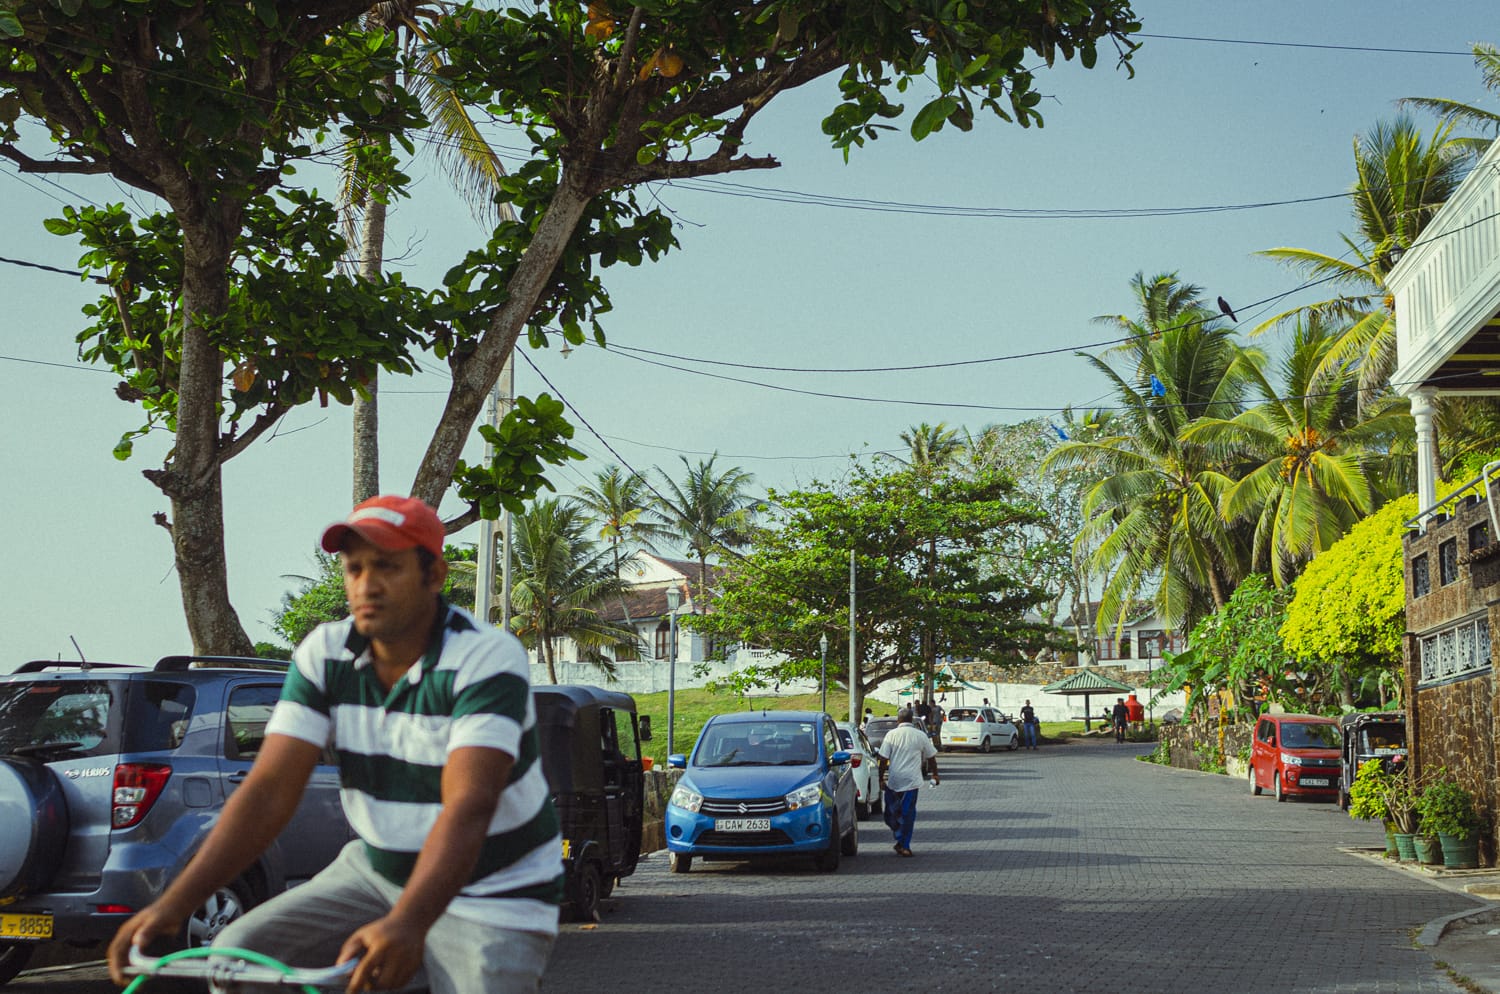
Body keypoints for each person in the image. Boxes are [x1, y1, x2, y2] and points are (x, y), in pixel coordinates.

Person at [106, 495, 562, 994]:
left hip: (495, 887)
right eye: (354, 568)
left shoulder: (485, 657)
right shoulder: (325, 653)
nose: (366, 585)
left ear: (434, 576)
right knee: (238, 961)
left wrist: (408, 923)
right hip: (379, 868)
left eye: (387, 567)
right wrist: (171, 907)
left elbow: (470, 806)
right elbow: (268, 791)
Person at [877, 708, 938, 857]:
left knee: (898, 814)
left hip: (896, 781)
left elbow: (883, 759)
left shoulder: (891, 735)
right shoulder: (920, 735)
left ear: (898, 720)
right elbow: (931, 757)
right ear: (911, 720)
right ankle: (901, 839)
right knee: (902, 814)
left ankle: (904, 845)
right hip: (909, 781)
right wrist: (935, 774)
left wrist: (880, 777)